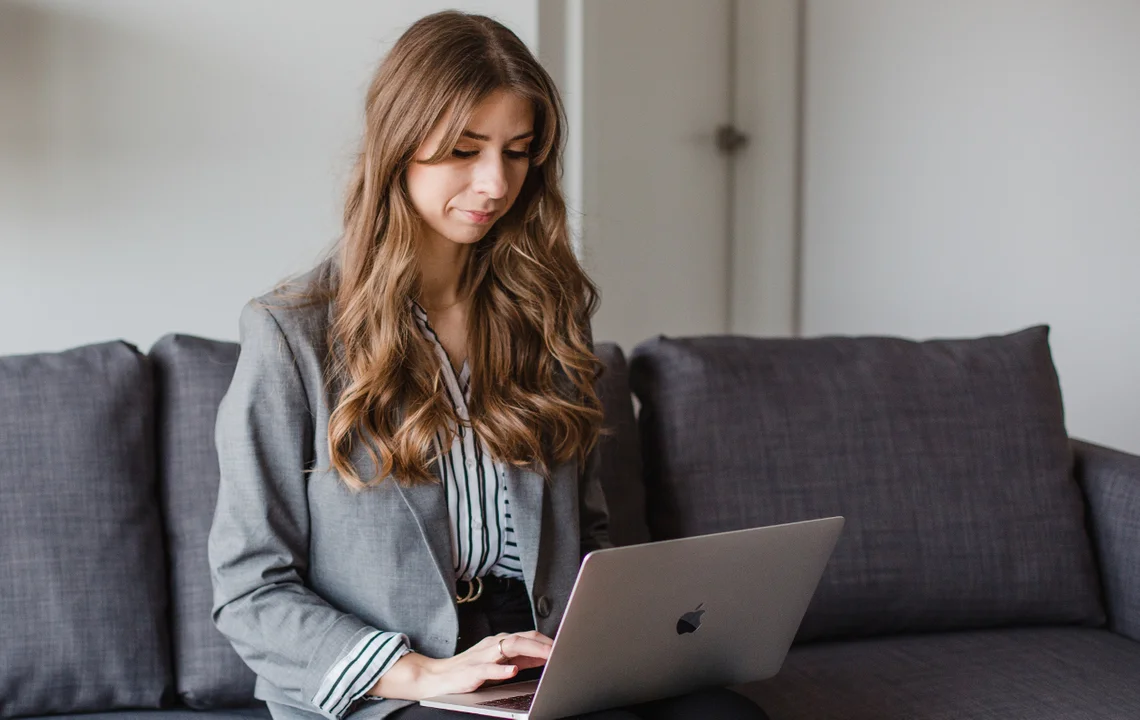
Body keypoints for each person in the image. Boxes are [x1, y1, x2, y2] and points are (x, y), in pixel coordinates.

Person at [207, 10, 770, 720]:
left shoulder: (548, 312)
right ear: (398, 147)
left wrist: (606, 641)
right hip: (395, 677)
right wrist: (421, 674)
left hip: (543, 651)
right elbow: (250, 588)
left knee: (727, 715)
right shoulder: (291, 336)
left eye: (517, 151)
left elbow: (590, 533)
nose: (494, 184)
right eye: (463, 150)